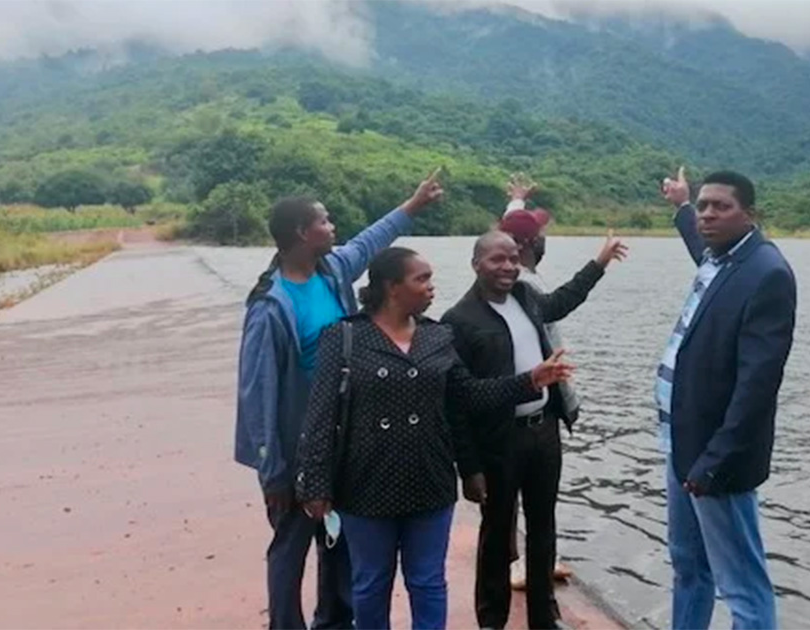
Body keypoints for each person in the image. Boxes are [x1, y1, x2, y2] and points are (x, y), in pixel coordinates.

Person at [294, 247, 575, 630]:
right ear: (393, 287)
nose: (431, 287)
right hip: (365, 482)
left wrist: (530, 382)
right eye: (421, 279)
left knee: (428, 582)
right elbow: (321, 414)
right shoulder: (345, 337)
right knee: (371, 582)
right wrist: (315, 484)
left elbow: (468, 394)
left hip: (429, 479)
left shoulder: (437, 335)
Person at [234, 171, 443, 630]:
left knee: (339, 542)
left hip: (341, 440)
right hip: (293, 448)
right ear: (301, 234)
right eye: (324, 222)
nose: (333, 228)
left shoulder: (331, 272)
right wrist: (272, 469)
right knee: (291, 544)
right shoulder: (270, 305)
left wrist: (412, 206)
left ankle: (334, 621)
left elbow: (372, 242)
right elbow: (257, 393)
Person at [442, 230, 627, 630]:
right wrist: (468, 468)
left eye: (512, 258)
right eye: (497, 260)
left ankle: (545, 616)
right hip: (498, 442)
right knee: (496, 535)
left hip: (543, 433)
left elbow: (561, 301)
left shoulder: (526, 297)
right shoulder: (459, 320)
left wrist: (598, 264)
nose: (507, 267)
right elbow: (461, 398)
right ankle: (492, 620)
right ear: (476, 264)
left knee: (543, 526)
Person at [658, 167, 797, 630]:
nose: (708, 216)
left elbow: (757, 386)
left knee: (742, 585)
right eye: (703, 206)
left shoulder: (767, 273)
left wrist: (715, 460)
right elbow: (698, 240)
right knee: (688, 567)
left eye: (721, 207)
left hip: (717, 457)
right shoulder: (719, 257)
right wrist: (681, 203)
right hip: (681, 442)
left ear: (750, 214)